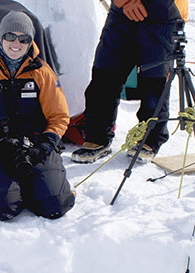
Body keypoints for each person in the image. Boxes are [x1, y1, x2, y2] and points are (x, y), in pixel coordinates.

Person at [0, 11, 75, 220]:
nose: (16, 44)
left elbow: (59, 116)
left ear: (30, 42)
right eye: (10, 36)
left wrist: (45, 146)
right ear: (0, 37)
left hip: (34, 148)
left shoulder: (42, 73)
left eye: (24, 38)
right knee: (2, 207)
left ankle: (35, 186)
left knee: (56, 204)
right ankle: (5, 190)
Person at [72, 0, 188, 164]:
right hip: (121, 13)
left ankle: (149, 139)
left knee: (154, 80)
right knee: (105, 73)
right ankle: (97, 137)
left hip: (162, 14)